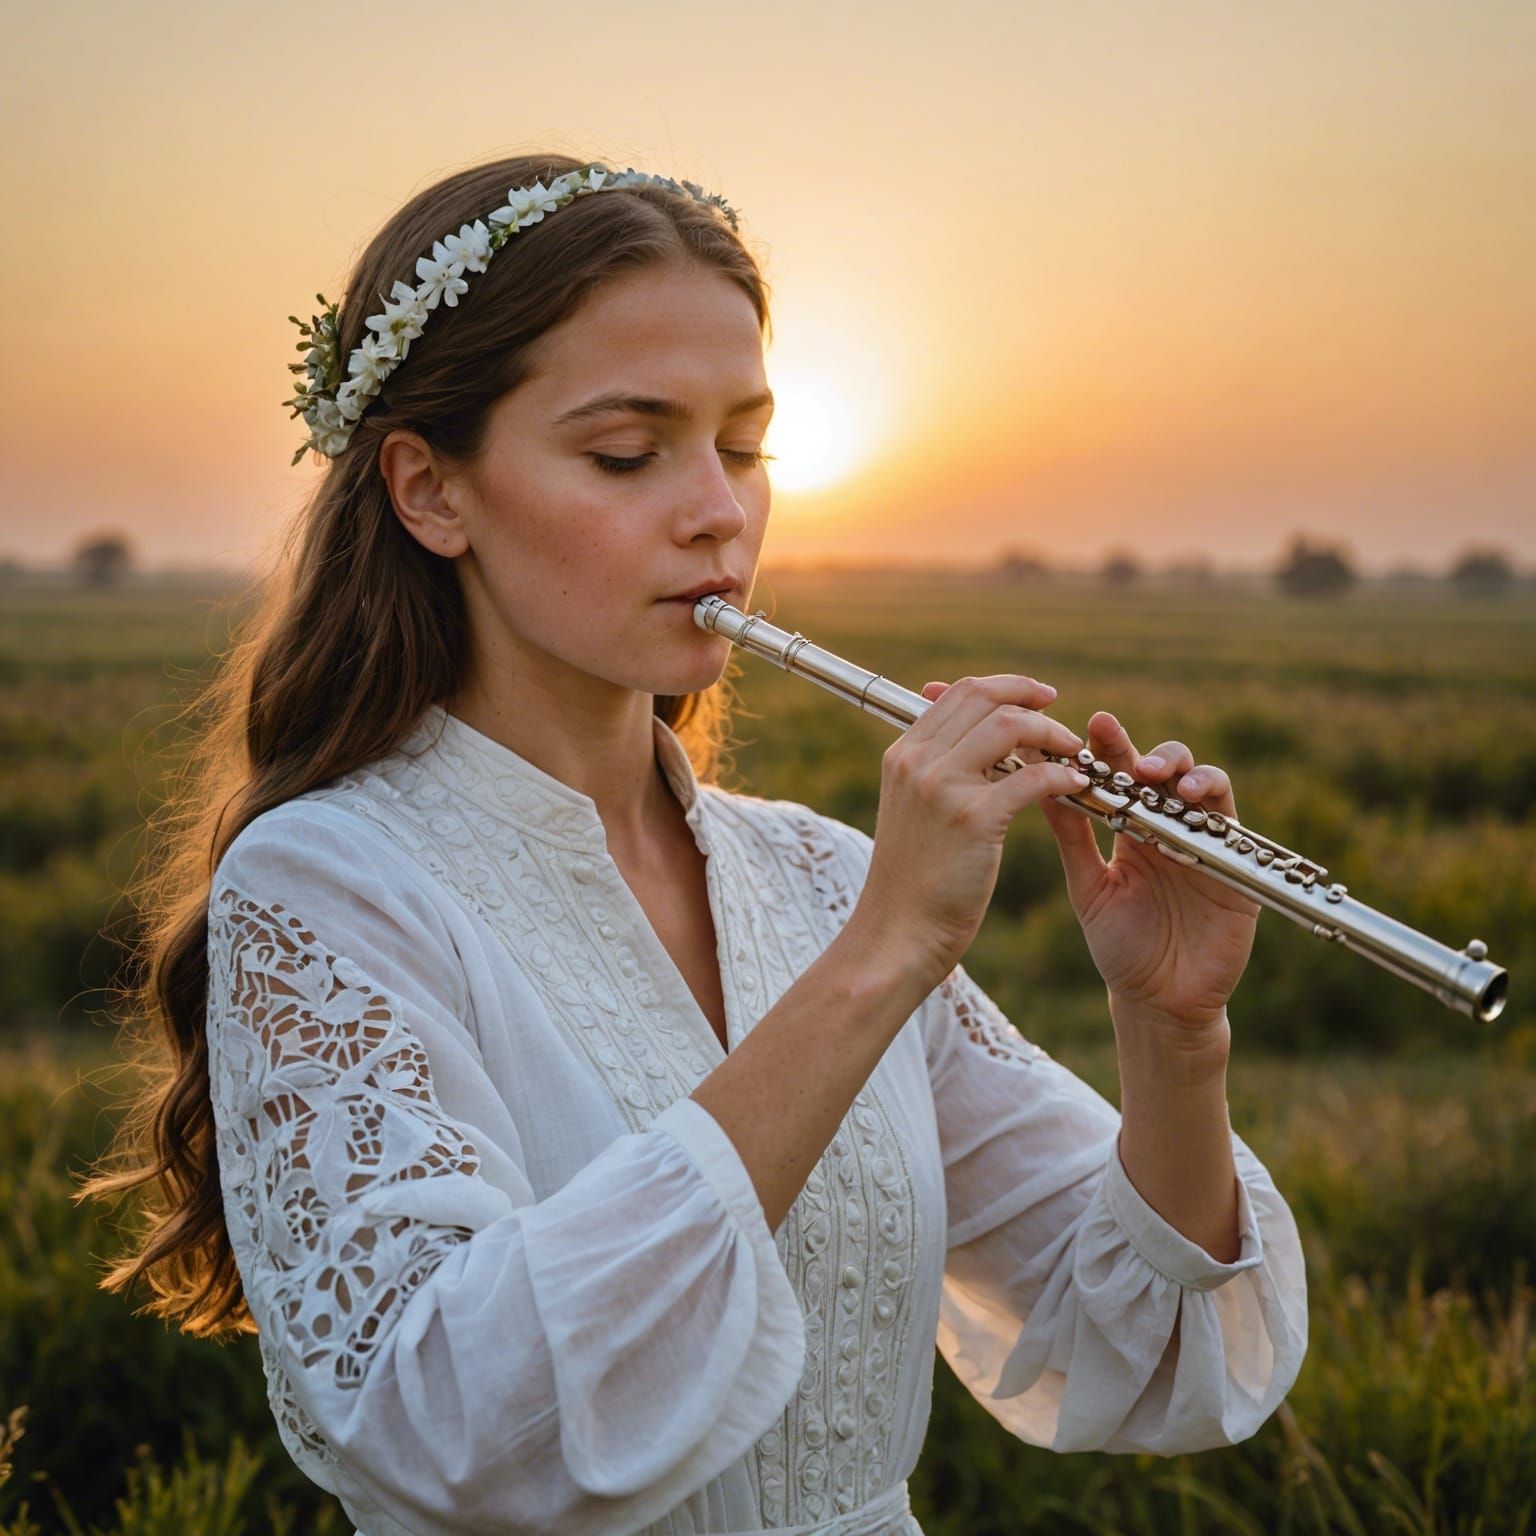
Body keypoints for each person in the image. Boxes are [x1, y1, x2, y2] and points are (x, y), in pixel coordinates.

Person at [82, 154, 1307, 1535]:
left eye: (743, 446)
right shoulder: (328, 887)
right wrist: (883, 957)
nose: (719, 511)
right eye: (627, 452)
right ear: (431, 492)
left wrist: (1171, 1028)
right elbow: (450, 1424)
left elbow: (1132, 1342)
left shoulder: (822, 876)